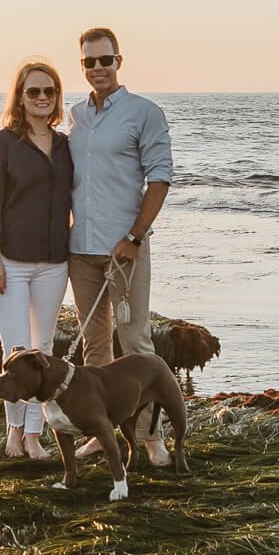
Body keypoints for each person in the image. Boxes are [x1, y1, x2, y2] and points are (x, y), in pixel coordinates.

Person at [65, 26, 173, 463]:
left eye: (104, 60)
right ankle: (100, 430)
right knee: (94, 347)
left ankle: (151, 436)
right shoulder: (74, 115)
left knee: (135, 343)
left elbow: (160, 177)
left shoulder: (144, 113)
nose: (97, 69)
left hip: (124, 250)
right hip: (80, 249)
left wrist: (134, 237)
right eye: (89, 62)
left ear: (118, 62)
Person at [0, 58, 73, 460]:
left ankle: (36, 435)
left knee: (44, 350)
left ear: (56, 98)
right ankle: (14, 432)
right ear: (20, 97)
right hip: (10, 260)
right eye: (32, 91)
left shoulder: (65, 145)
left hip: (54, 260)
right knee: (16, 349)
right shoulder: (4, 143)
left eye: (48, 91)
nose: (41, 97)